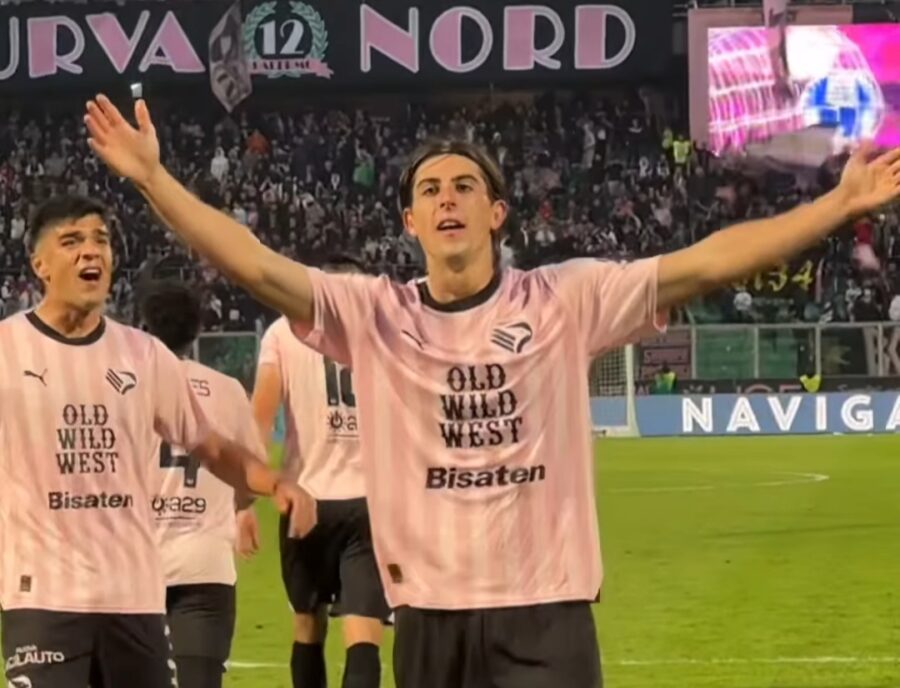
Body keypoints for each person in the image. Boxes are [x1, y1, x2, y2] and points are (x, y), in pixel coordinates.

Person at [85, 95, 900, 687]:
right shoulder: (375, 313)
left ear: (498, 211)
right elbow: (254, 265)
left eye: (464, 186)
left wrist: (837, 203)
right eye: (429, 190)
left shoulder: (565, 299)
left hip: (547, 614)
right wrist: (155, 179)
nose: (447, 197)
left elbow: (707, 263)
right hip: (429, 619)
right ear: (410, 222)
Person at [0, 194, 315, 688]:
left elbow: (212, 447)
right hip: (42, 598)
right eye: (72, 241)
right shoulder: (6, 350)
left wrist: (272, 481)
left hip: (136, 601)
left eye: (101, 240)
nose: (91, 251)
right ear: (39, 264)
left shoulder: (143, 355)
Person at [251, 252, 389, 688]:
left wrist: (246, 497)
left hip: (303, 501)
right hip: (370, 504)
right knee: (363, 632)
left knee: (307, 626)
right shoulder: (382, 332)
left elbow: (259, 421)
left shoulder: (282, 332)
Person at [139, 278, 264, 688]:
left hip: (136, 564)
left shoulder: (121, 386)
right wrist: (241, 508)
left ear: (143, 326)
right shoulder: (228, 390)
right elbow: (250, 470)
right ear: (197, 331)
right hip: (205, 562)